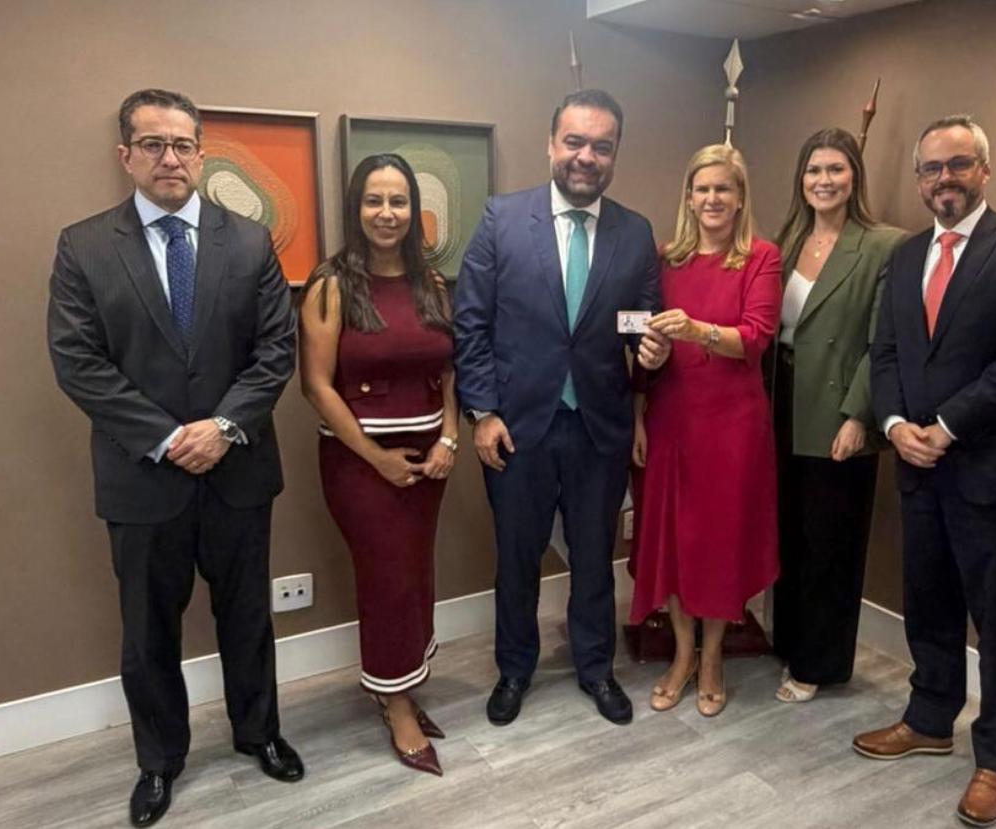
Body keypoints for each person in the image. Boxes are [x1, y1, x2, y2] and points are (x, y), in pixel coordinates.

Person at [47, 89, 302, 828]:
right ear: (125, 155)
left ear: (201, 153)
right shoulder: (84, 247)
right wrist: (168, 438)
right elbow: (78, 362)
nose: (170, 158)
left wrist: (222, 427)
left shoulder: (248, 241)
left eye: (183, 144)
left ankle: (258, 732)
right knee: (148, 630)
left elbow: (275, 350)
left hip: (238, 470)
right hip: (143, 478)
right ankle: (159, 761)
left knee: (247, 615)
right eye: (153, 144)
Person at [855, 115, 996, 828]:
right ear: (919, 179)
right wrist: (893, 426)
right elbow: (885, 351)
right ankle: (929, 718)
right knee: (928, 601)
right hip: (918, 466)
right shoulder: (906, 254)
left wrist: (943, 428)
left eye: (958, 164)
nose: (943, 178)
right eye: (931, 168)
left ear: (984, 170)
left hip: (995, 471)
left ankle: (995, 758)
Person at [454, 88, 670, 727]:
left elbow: (638, 318)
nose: (586, 157)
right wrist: (482, 413)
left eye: (601, 146)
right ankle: (514, 670)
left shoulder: (635, 232)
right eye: (574, 142)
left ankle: (596, 668)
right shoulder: (501, 219)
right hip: (516, 428)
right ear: (551, 145)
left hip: (598, 428)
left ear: (615, 155)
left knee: (594, 558)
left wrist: (650, 344)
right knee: (517, 559)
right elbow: (471, 324)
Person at [298, 154, 457, 776]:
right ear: (355, 208)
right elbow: (316, 386)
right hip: (360, 464)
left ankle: (403, 682)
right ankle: (395, 706)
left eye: (397, 201)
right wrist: (378, 459)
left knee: (415, 575)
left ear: (414, 210)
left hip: (427, 462)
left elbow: (448, 369)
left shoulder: (431, 283)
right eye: (373, 200)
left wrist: (449, 440)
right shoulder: (332, 285)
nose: (386, 213)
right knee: (387, 581)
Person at [629, 144, 780, 717]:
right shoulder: (663, 258)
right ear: (688, 197)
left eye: (724, 188)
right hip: (670, 417)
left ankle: (713, 656)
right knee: (671, 540)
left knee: (718, 542)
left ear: (740, 198)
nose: (712, 198)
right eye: (703, 188)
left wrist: (698, 330)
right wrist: (646, 359)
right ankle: (683, 653)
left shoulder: (761, 257)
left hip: (732, 424)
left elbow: (756, 337)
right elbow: (637, 328)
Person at [768, 128, 906, 704]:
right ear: (800, 179)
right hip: (780, 398)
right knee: (789, 532)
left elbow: (883, 342)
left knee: (831, 541)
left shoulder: (883, 245)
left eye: (835, 169)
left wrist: (857, 415)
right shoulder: (786, 240)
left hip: (838, 406)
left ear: (855, 176)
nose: (823, 181)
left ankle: (818, 663)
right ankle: (789, 640)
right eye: (813, 170)